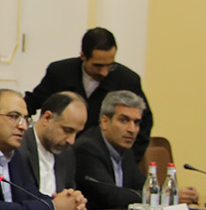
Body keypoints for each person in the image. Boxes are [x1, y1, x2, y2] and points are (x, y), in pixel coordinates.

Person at [24, 27, 153, 160]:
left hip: (103, 159)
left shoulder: (127, 80)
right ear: (83, 56)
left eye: (110, 65)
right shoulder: (60, 73)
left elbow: (144, 122)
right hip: (59, 153)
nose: (104, 72)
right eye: (98, 66)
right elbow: (32, 102)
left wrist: (128, 160)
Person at [74, 90, 149, 210]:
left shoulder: (125, 150)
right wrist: (151, 196)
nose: (132, 129)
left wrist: (154, 193)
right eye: (124, 120)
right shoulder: (87, 148)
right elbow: (112, 196)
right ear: (104, 122)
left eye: (136, 122)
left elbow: (143, 186)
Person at [18, 92, 90, 210]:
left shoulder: (66, 153)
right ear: (47, 118)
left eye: (77, 133)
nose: (71, 141)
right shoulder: (19, 147)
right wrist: (54, 206)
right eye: (67, 130)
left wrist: (76, 203)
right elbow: (21, 201)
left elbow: (69, 194)